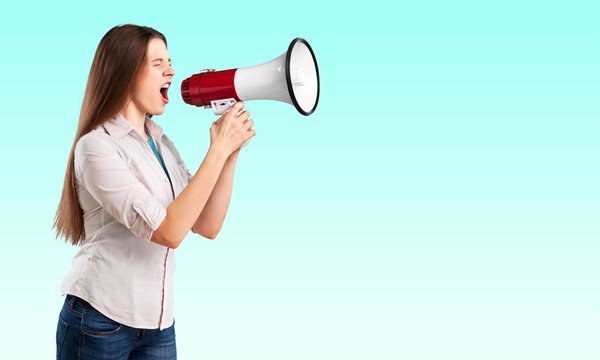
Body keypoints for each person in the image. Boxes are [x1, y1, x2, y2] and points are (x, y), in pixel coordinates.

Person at [52, 24, 255, 359]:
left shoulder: (161, 144)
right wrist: (216, 150)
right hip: (99, 321)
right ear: (126, 72)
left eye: (170, 61)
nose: (172, 71)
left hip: (158, 325)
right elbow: (168, 231)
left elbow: (207, 225)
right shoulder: (96, 148)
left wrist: (230, 153)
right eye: (158, 63)